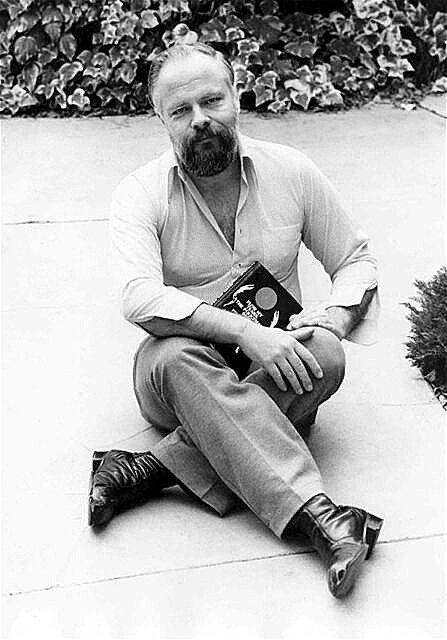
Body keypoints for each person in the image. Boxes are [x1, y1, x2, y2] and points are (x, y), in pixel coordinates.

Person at [88, 42, 383, 599]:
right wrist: (246, 332)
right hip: (178, 377)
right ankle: (320, 519)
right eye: (181, 110)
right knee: (173, 354)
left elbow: (356, 261)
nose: (200, 120)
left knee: (324, 352)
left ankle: (149, 469)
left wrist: (335, 319)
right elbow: (138, 296)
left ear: (236, 96)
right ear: (161, 119)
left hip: (278, 369)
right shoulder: (140, 192)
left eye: (212, 101)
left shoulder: (292, 171)